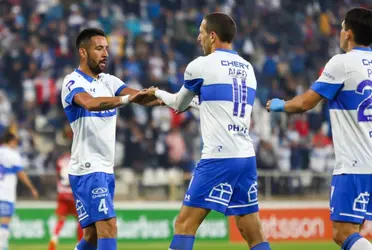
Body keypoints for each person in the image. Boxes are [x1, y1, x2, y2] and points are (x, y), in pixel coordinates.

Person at [147, 13, 271, 250]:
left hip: (218, 157)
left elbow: (178, 105)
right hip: (245, 156)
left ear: (212, 36)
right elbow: (219, 106)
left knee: (184, 224)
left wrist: (156, 94)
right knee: (251, 230)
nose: (198, 38)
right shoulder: (248, 68)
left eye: (201, 33)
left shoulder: (200, 65)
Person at [266, 7, 372, 250]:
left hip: (355, 165)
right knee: (354, 230)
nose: (340, 32)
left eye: (343, 28)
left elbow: (305, 103)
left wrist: (280, 105)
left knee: (342, 232)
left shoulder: (342, 63)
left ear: (349, 34)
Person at [61, 28, 160, 250]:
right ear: (83, 52)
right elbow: (89, 103)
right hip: (88, 168)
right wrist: (125, 99)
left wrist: (176, 99)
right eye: (99, 48)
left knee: (91, 236)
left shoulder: (109, 80)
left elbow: (141, 97)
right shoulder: (72, 81)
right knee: (109, 227)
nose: (106, 53)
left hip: (105, 168)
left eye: (106, 48)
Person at [0, 131, 39, 250]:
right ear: (11, 141)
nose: (17, 144)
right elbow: (21, 174)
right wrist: (32, 188)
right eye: (16, 141)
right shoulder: (12, 154)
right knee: (4, 223)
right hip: (6, 193)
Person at [48, 151, 83, 250]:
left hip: (62, 193)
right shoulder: (78, 160)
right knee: (80, 219)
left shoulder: (60, 160)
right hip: (73, 194)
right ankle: (79, 244)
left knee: (61, 219)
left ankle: (54, 239)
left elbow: (58, 175)